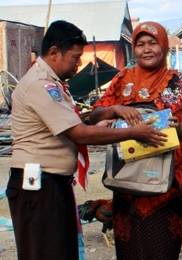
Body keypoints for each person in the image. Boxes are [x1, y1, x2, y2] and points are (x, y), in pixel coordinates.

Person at [7, 20, 166, 260]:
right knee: (44, 251)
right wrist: (135, 132)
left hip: (52, 182)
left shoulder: (54, 83)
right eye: (75, 57)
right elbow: (78, 132)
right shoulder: (40, 85)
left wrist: (112, 111)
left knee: (59, 250)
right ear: (53, 53)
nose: (79, 64)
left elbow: (74, 121)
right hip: (39, 186)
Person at [89, 21, 182, 260]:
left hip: (167, 187)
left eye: (152, 43)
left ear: (163, 45)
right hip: (127, 182)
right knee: (129, 250)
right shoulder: (122, 80)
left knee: (162, 250)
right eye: (140, 44)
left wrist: (179, 129)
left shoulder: (181, 83)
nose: (147, 49)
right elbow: (95, 114)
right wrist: (117, 109)